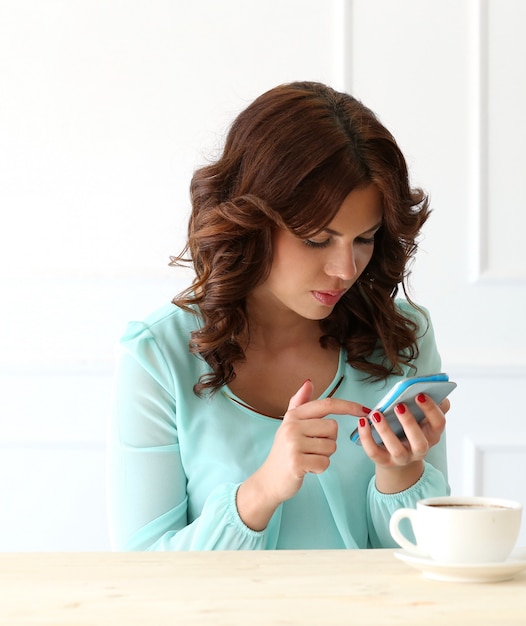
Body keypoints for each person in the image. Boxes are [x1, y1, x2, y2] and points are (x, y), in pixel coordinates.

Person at [106, 81, 451, 551]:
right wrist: (262, 491)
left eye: (364, 239)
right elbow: (140, 569)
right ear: (251, 222)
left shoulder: (403, 338)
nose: (344, 269)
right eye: (316, 240)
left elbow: (430, 565)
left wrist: (401, 471)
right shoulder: (159, 356)